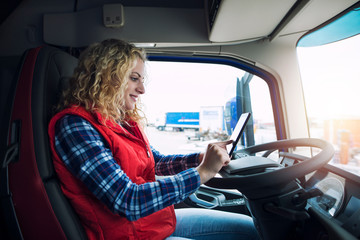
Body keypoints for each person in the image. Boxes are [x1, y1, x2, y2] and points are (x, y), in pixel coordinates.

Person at [48, 39, 259, 240]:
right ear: (106, 77)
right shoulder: (76, 126)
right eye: (133, 78)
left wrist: (201, 159)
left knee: (250, 229)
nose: (142, 89)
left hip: (151, 224)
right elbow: (127, 200)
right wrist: (202, 172)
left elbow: (155, 162)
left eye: (141, 79)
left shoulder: (120, 122)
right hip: (127, 235)